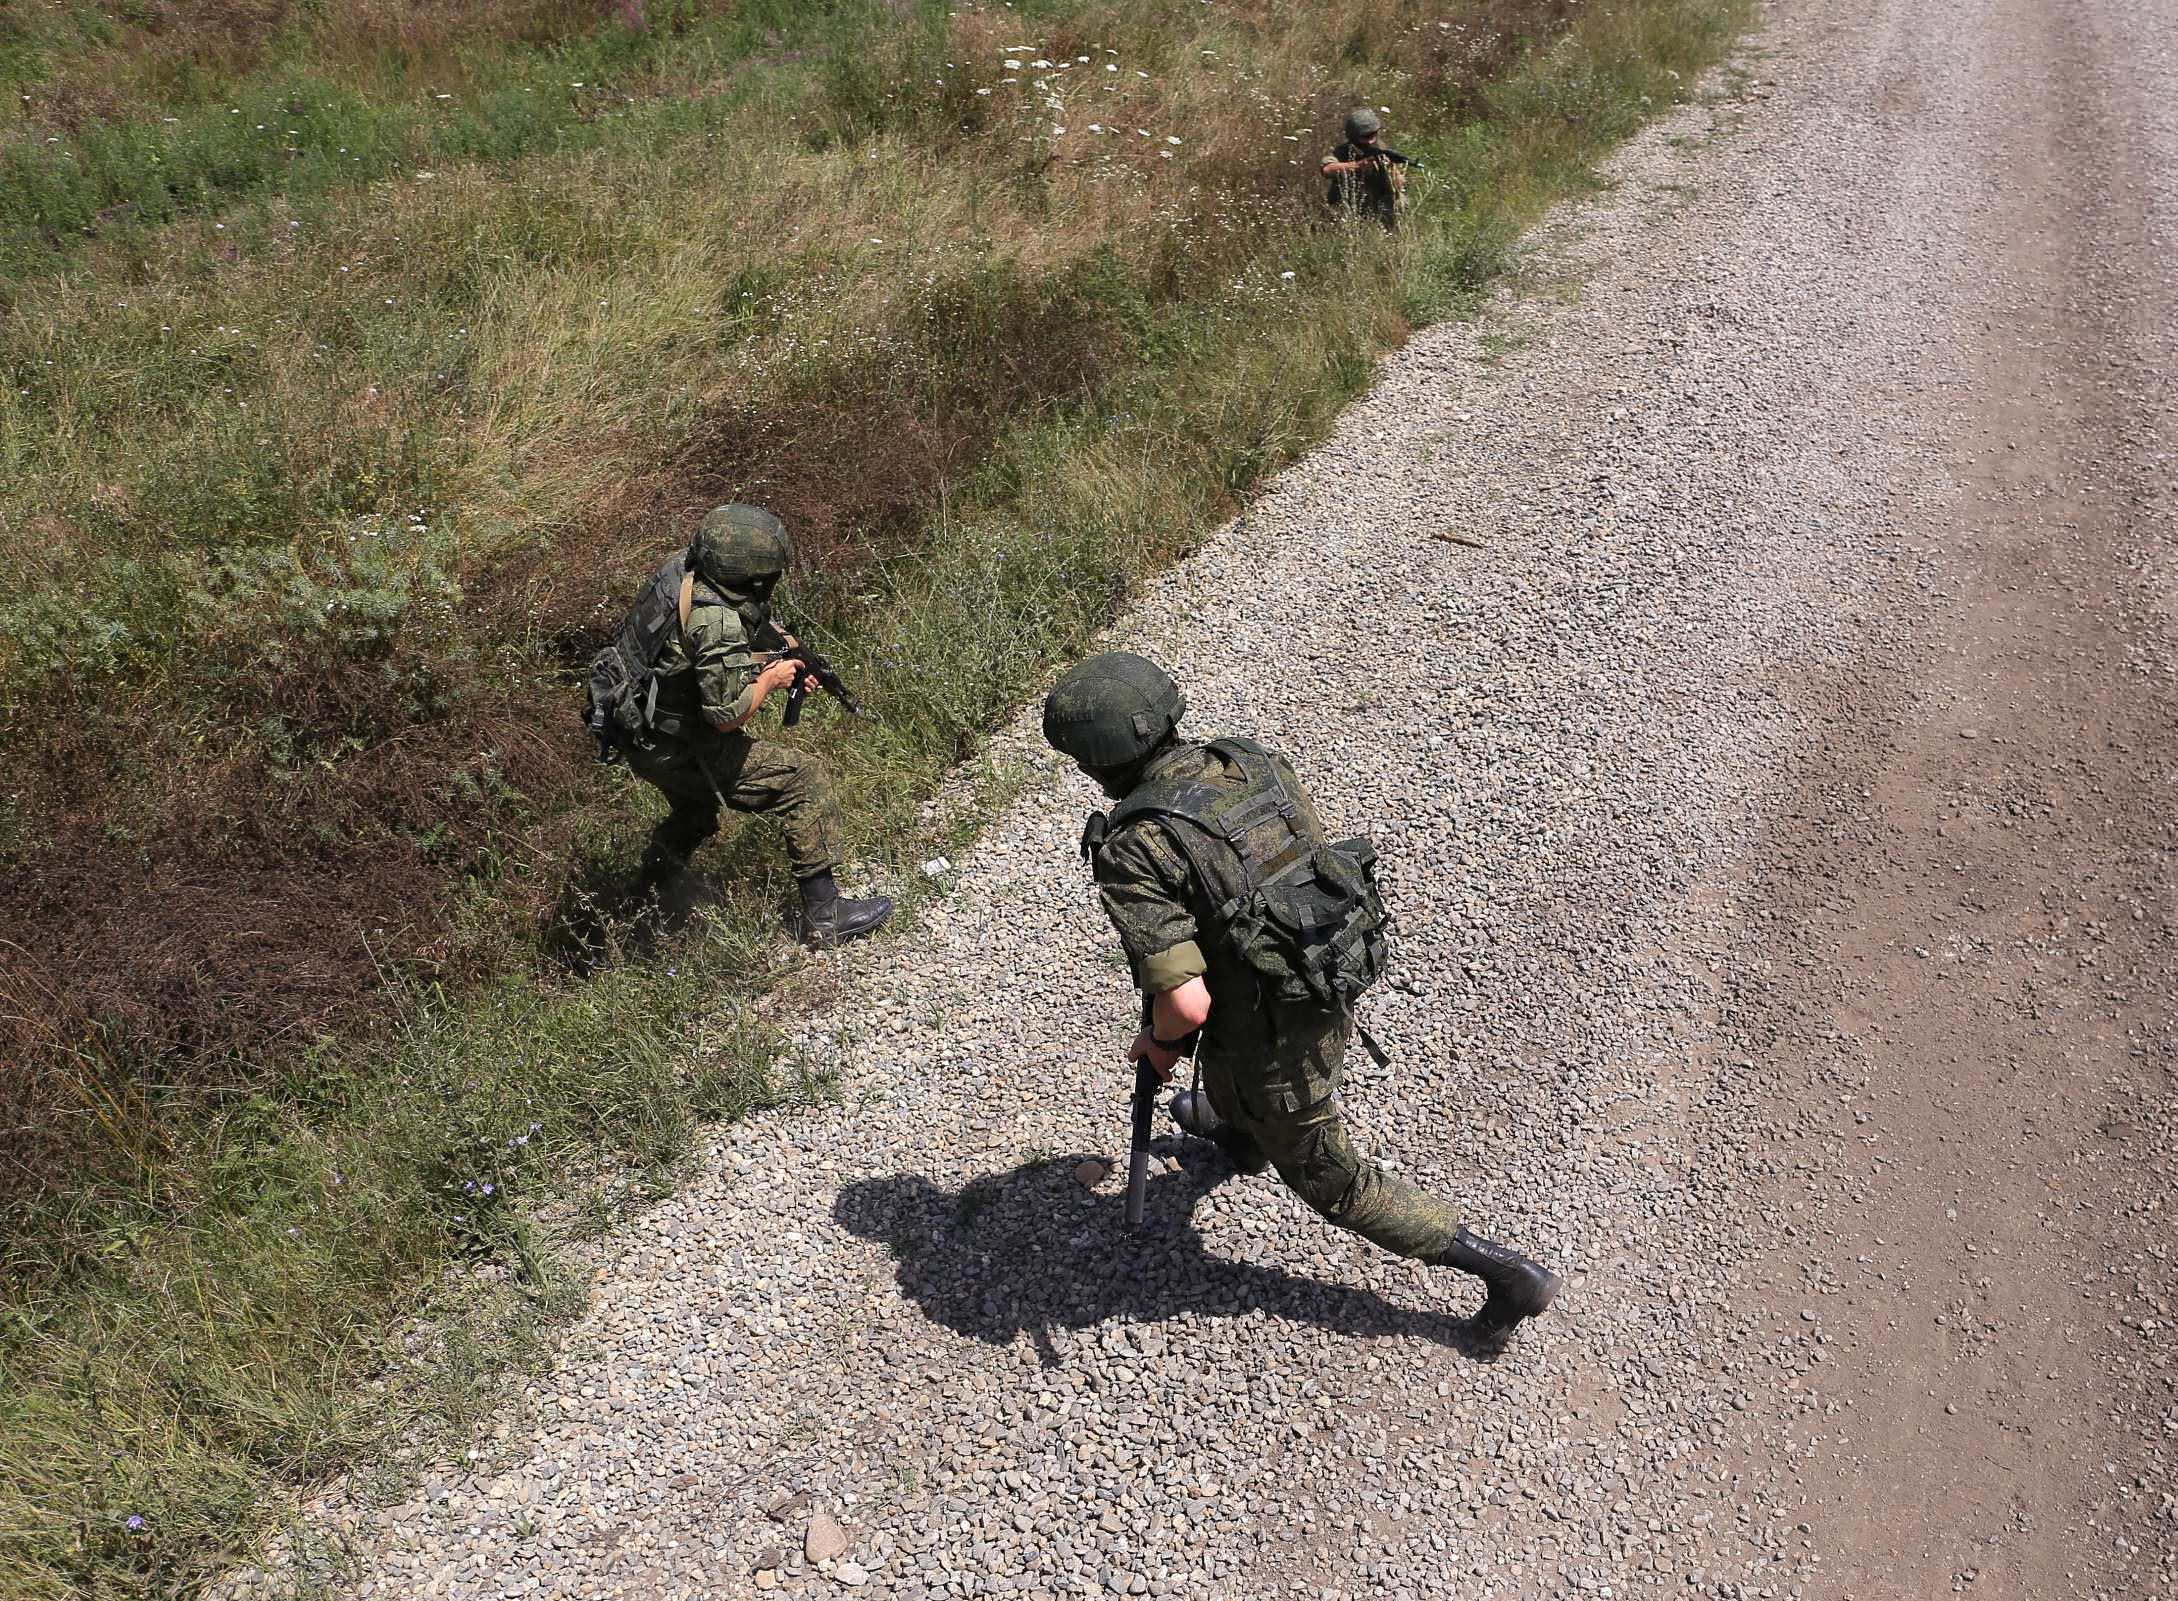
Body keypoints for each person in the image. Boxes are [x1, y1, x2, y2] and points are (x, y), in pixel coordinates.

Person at [1043, 651, 1557, 1343]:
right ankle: (1239, 1134)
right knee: (1229, 1080)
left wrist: (1160, 1042)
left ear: (1093, 761)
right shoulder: (1249, 760)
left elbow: (1188, 1006)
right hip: (1315, 972)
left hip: (1276, 1030)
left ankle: (1507, 1275)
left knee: (1333, 1179)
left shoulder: (1137, 845)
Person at [590, 503, 891, 946]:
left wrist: (784, 651)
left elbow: (701, 653)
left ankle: (645, 898)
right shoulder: (717, 623)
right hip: (681, 744)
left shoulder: (682, 572)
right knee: (803, 778)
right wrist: (771, 679)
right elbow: (726, 715)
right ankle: (826, 915)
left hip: (641, 735)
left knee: (695, 811)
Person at [1321, 106, 1411, 229]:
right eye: (1365, 137)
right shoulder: (1343, 151)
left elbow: (1398, 186)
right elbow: (1327, 169)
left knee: (1400, 202)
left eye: (1372, 136)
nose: (1369, 141)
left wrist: (1391, 169)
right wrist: (1359, 165)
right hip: (1348, 205)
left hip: (1376, 206)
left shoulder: (1381, 149)